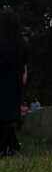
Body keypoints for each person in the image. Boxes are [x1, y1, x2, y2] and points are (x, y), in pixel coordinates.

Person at [0, 9, 28, 157]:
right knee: (7, 118)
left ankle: (9, 148)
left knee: (3, 120)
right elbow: (24, 68)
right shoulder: (22, 43)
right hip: (14, 85)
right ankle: (11, 148)